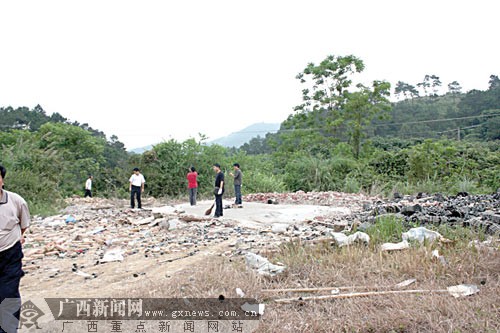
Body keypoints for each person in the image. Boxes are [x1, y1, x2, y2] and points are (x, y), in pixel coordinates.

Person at [0, 165, 31, 333]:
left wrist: (12, 238)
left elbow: (23, 225)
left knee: (9, 294)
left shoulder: (16, 201)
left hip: (10, 255)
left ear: (2, 180)